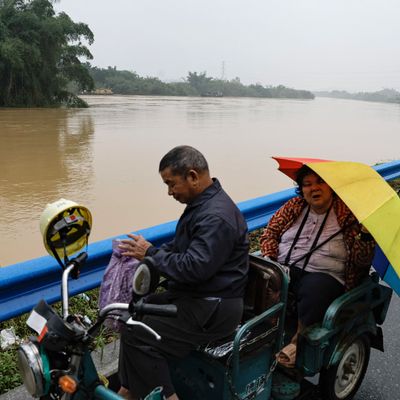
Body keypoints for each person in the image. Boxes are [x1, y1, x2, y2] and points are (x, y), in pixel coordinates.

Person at [117, 145, 249, 399]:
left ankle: (168, 397)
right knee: (133, 315)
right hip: (197, 298)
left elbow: (194, 268)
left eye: (171, 184)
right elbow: (180, 248)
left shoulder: (215, 217)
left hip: (213, 307)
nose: (169, 192)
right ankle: (128, 389)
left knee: (138, 333)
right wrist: (148, 253)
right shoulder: (203, 205)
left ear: (192, 176)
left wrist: (151, 254)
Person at [259, 165, 375, 368]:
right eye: (307, 184)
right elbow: (270, 233)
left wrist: (365, 235)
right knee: (258, 275)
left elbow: (362, 261)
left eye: (320, 182)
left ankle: (296, 342)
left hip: (325, 276)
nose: (314, 188)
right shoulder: (294, 206)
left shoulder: (348, 216)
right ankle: (265, 331)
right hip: (287, 267)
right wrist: (270, 260)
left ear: (331, 187)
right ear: (301, 189)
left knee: (315, 288)